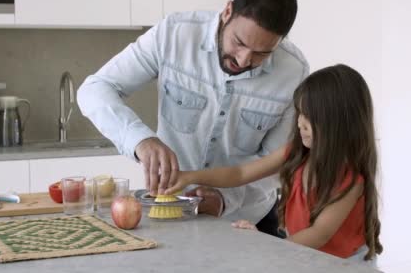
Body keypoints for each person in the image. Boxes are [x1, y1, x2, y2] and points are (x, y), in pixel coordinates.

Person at [77, 0, 309, 236]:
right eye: (239, 43)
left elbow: (275, 163)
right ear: (227, 11)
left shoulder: (294, 73)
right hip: (173, 214)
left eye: (262, 53)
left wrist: (224, 199)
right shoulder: (174, 35)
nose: (244, 60)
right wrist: (140, 140)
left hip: (248, 221)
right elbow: (95, 89)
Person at [164, 64, 383, 263]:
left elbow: (319, 234)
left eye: (309, 117)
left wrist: (267, 247)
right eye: (300, 113)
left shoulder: (351, 181)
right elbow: (241, 173)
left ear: (337, 125)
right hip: (305, 256)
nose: (299, 123)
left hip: (344, 264)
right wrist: (189, 176)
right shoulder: (297, 153)